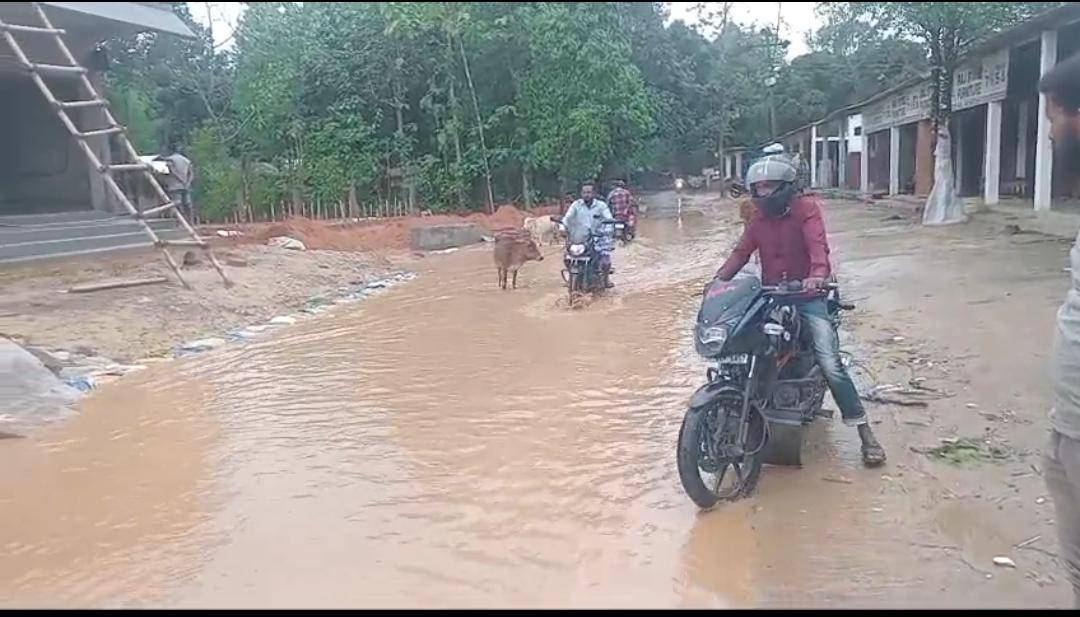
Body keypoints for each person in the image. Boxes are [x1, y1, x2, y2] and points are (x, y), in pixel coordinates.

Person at [713, 156, 886, 467]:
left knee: (829, 362)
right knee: (739, 345)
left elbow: (819, 248)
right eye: (759, 188)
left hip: (807, 295)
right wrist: (717, 282)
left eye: (770, 187)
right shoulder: (757, 219)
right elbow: (741, 252)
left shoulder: (807, 210)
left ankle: (865, 433)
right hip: (769, 296)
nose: (764, 193)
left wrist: (817, 275)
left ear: (786, 188)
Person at [1040, 51, 1080, 609]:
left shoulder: (806, 210)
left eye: (1052, 116)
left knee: (833, 359)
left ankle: (861, 428)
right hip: (1069, 423)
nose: (1048, 133)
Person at [561, 182, 614, 287]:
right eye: (584, 192)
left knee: (605, 262)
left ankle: (605, 279)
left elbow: (609, 219)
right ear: (581, 193)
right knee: (567, 258)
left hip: (599, 238)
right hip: (581, 239)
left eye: (589, 192)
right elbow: (567, 218)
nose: (586, 195)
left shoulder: (601, 206)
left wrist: (607, 231)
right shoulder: (576, 205)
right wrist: (562, 228)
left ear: (594, 193)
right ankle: (572, 276)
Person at [156, 144, 196, 224]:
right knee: (188, 204)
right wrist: (187, 182)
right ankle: (191, 221)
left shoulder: (170, 160)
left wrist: (181, 180)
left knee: (177, 204)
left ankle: (180, 221)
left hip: (174, 185)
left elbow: (172, 171)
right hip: (186, 186)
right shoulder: (186, 160)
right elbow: (191, 174)